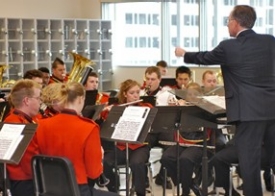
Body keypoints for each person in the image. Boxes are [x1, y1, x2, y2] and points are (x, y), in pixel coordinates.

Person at [175, 5, 275, 196]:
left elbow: (204, 57)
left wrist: (183, 54)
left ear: (236, 23)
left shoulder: (229, 46)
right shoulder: (270, 41)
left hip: (249, 113)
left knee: (250, 164)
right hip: (272, 109)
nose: (228, 25)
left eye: (228, 21)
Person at [36, 82, 117, 196]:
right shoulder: (89, 127)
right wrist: (100, 158)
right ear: (80, 99)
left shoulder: (41, 125)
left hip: (48, 188)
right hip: (77, 189)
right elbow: (93, 173)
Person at [103, 79, 152, 196]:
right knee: (105, 162)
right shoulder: (116, 108)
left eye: (137, 92)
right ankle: (114, 189)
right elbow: (106, 122)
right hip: (121, 147)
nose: (136, 96)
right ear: (124, 94)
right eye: (132, 93)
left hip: (140, 146)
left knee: (136, 163)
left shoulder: (146, 106)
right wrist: (107, 111)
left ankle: (140, 193)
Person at [4, 79, 42, 196]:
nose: (40, 102)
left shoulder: (20, 119)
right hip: (24, 183)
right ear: (26, 101)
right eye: (38, 98)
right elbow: (29, 162)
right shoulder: (16, 124)